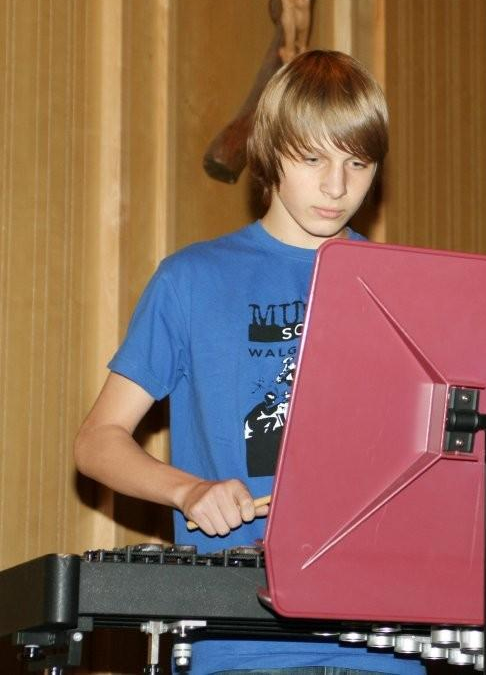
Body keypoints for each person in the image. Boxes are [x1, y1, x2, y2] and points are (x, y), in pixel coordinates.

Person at [74, 50, 423, 675]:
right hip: (236, 647)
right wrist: (189, 490)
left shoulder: (405, 287)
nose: (337, 187)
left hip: (384, 647)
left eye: (357, 163)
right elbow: (97, 441)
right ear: (268, 151)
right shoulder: (190, 280)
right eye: (312, 159)